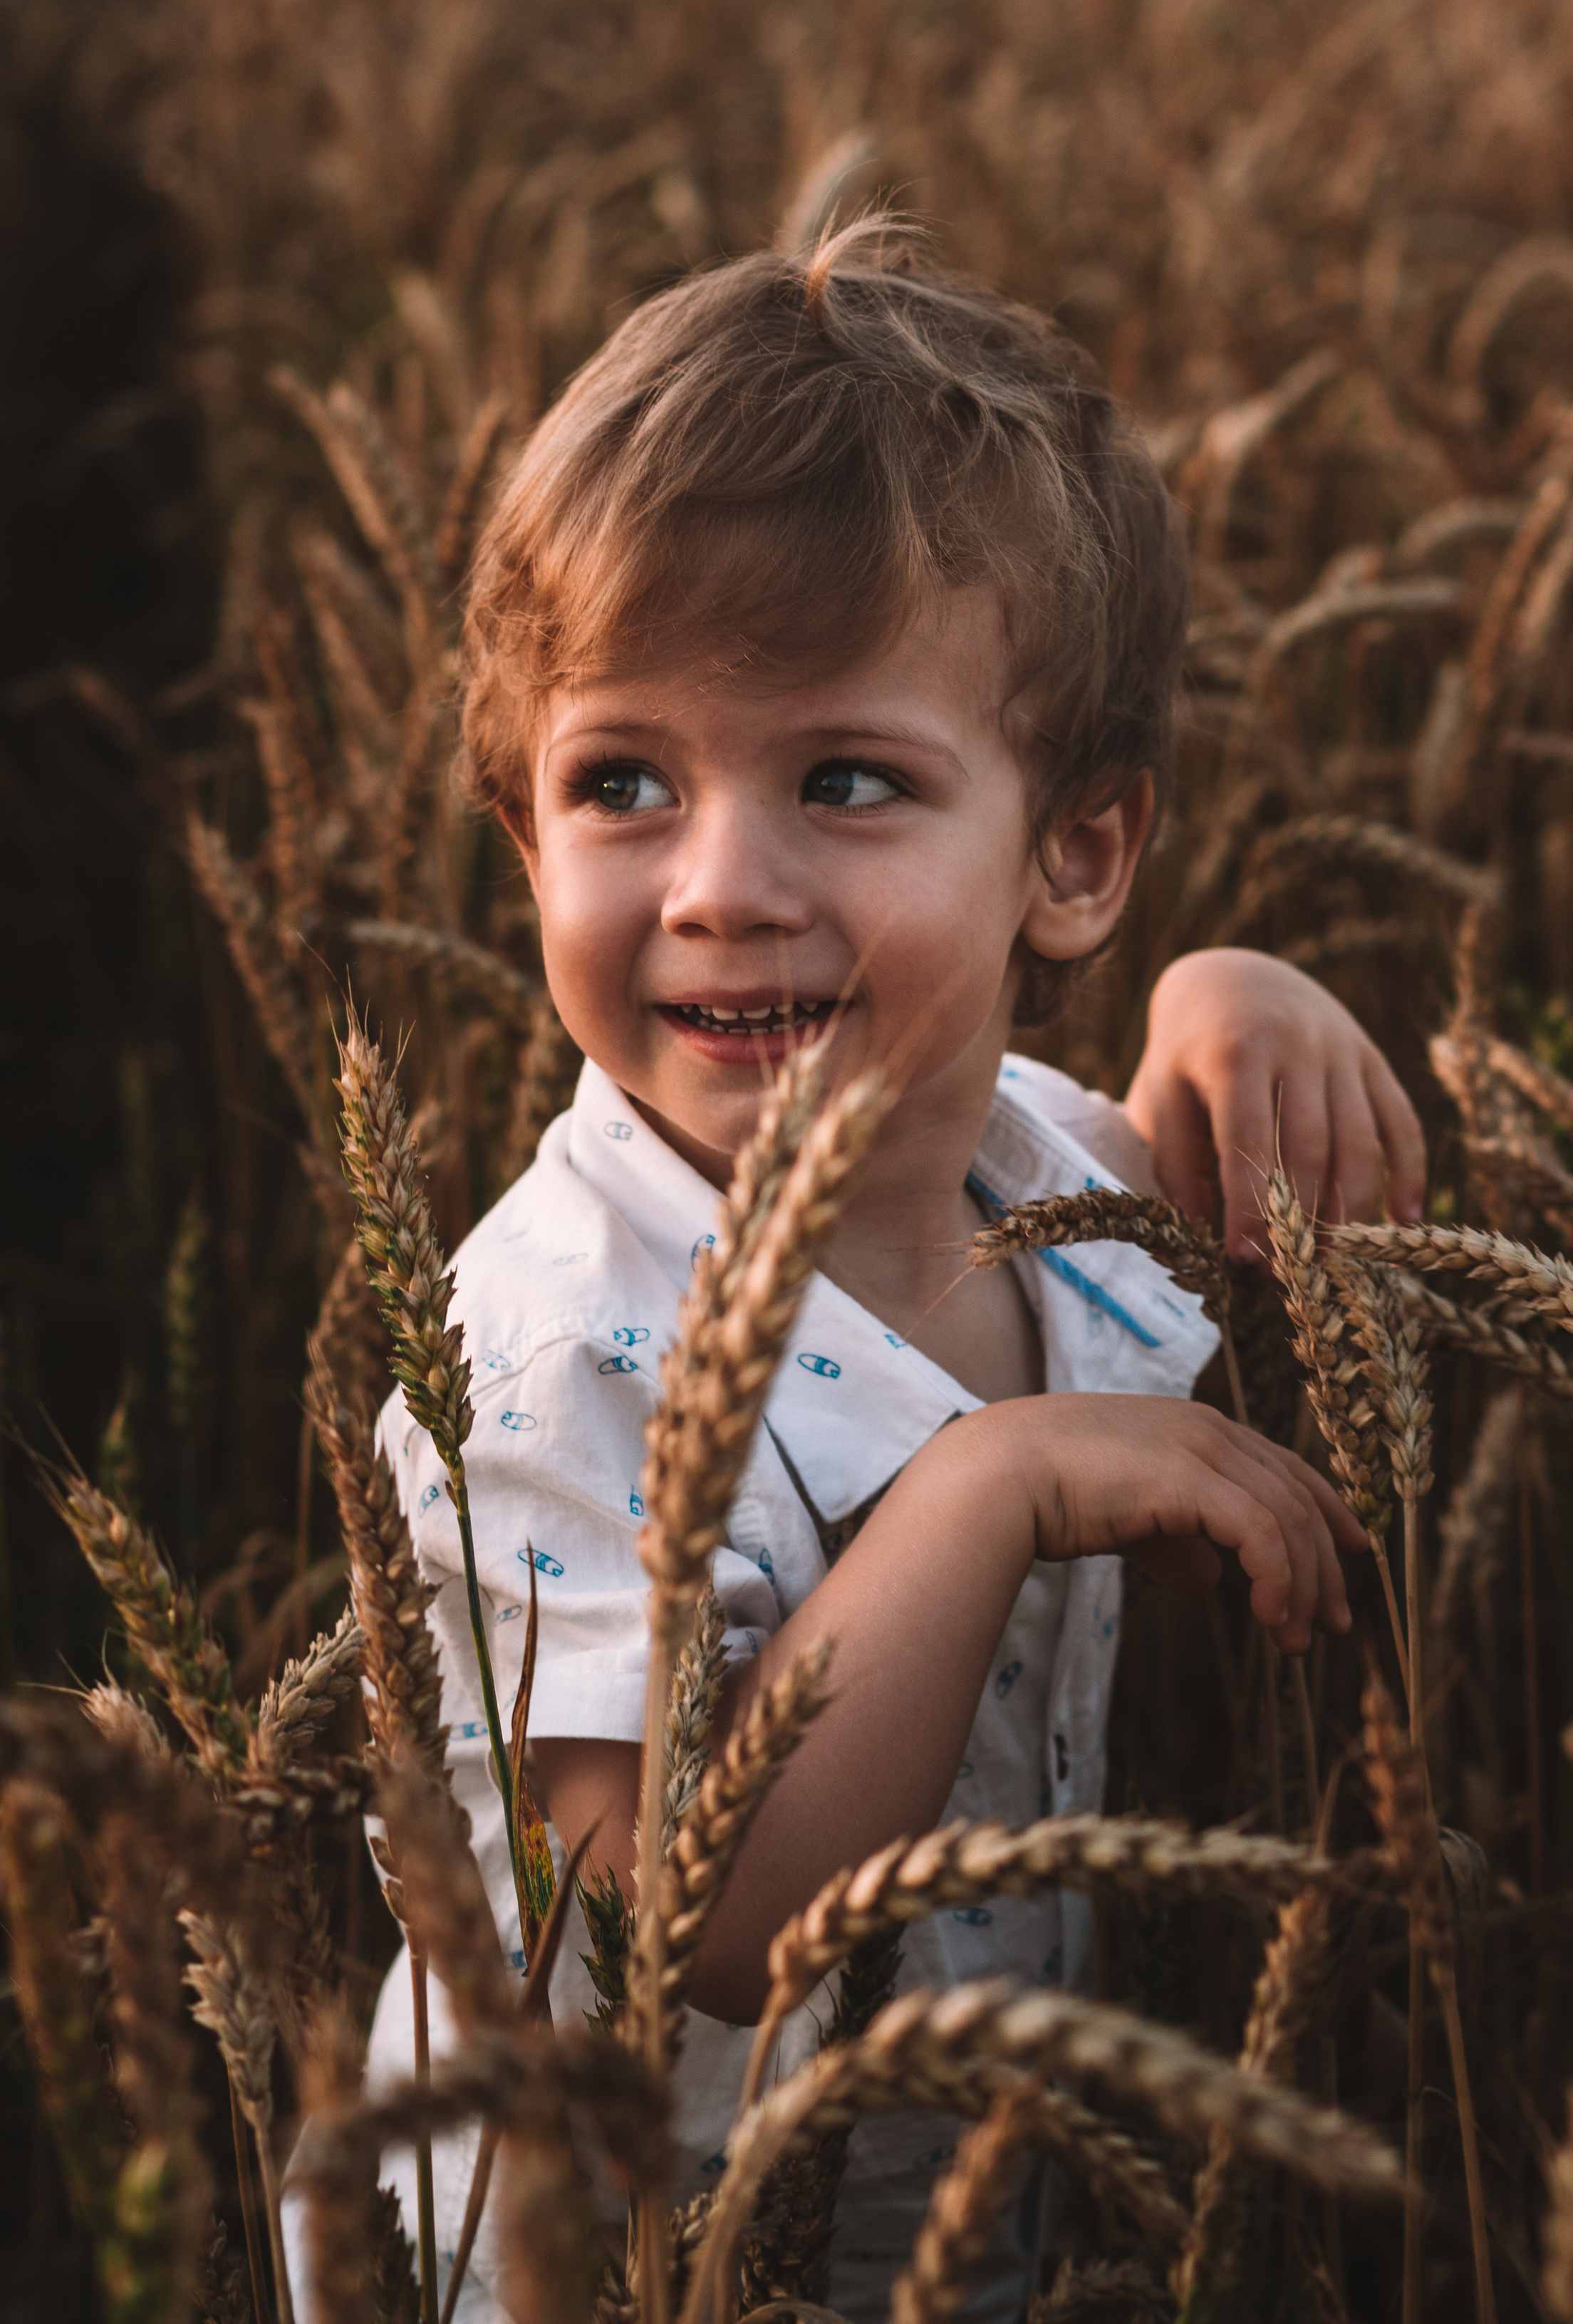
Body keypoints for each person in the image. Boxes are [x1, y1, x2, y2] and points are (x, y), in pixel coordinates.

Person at [364, 218, 1424, 2319]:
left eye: (845, 779)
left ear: (1077, 856)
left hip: (944, 2240)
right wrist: (987, 1488)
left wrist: (1227, 1002)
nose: (722, 887)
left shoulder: (1062, 1185)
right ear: (520, 829)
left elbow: (1208, 1216)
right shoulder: (550, 1359)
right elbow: (708, 1917)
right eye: (622, 784)